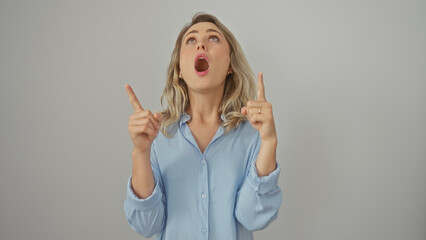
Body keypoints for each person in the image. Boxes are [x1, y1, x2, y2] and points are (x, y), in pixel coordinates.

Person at [123, 12, 282, 240]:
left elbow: (252, 218)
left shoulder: (252, 134)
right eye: (191, 40)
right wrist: (140, 152)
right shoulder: (156, 134)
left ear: (229, 64)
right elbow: (147, 225)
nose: (201, 45)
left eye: (213, 38)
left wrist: (269, 142)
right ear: (179, 68)